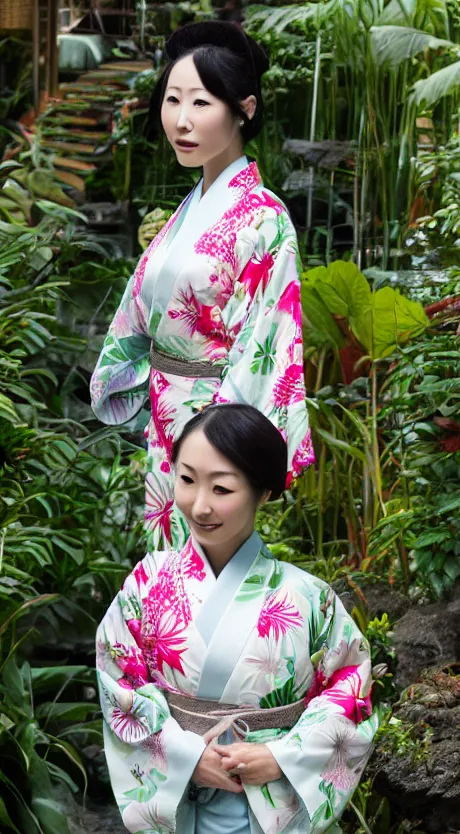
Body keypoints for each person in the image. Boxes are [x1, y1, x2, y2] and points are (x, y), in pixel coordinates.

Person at [96, 404, 378, 834]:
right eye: (187, 480)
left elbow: (350, 691)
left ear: (263, 490)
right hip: (184, 803)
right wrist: (184, 757)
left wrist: (282, 756)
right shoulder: (147, 585)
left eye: (221, 488)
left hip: (272, 804)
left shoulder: (308, 598)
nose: (199, 505)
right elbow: (118, 681)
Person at [90, 21, 314, 550]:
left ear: (245, 109)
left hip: (215, 431)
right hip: (167, 420)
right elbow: (143, 317)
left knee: (206, 568)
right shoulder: (189, 213)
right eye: (173, 100)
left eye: (202, 103)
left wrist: (220, 447)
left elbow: (266, 344)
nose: (181, 122)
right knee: (167, 580)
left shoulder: (263, 219)